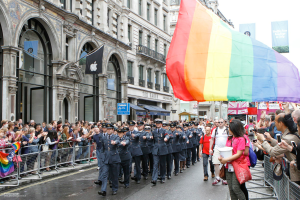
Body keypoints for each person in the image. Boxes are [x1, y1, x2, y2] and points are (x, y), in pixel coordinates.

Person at [257, 113, 300, 184]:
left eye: (275, 122)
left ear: (281, 123)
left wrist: (263, 140)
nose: (274, 124)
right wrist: (270, 139)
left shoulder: (288, 138)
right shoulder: (287, 136)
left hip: (295, 174)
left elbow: (273, 151)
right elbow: (281, 146)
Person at [219, 119, 248, 200]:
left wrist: (226, 159)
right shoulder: (229, 138)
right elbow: (226, 150)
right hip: (228, 166)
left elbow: (239, 154)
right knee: (231, 189)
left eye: (230, 128)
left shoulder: (241, 139)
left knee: (235, 188)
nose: (229, 129)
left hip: (237, 166)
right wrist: (222, 157)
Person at [98, 123, 120, 196]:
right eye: (108, 129)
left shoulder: (116, 136)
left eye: (110, 129)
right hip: (106, 158)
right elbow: (103, 148)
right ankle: (103, 190)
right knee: (104, 174)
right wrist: (101, 157)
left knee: (114, 174)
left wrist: (115, 142)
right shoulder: (104, 137)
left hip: (114, 157)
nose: (108, 130)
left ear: (113, 130)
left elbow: (118, 141)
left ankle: (114, 189)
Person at [150, 119, 169, 185]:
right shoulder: (154, 131)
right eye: (156, 123)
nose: (157, 124)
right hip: (155, 149)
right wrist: (150, 137)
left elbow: (167, 135)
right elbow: (152, 138)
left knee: (162, 164)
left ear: (161, 124)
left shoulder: (164, 130)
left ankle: (162, 177)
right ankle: (154, 179)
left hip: (163, 149)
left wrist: (166, 138)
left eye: (159, 123)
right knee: (155, 164)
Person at [210, 118, 228, 185]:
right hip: (217, 148)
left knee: (225, 163)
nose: (220, 123)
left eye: (221, 122)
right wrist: (210, 148)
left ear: (224, 122)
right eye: (219, 122)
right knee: (215, 162)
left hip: (225, 149)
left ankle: (224, 178)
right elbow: (212, 139)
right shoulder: (215, 130)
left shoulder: (227, 130)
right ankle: (217, 177)